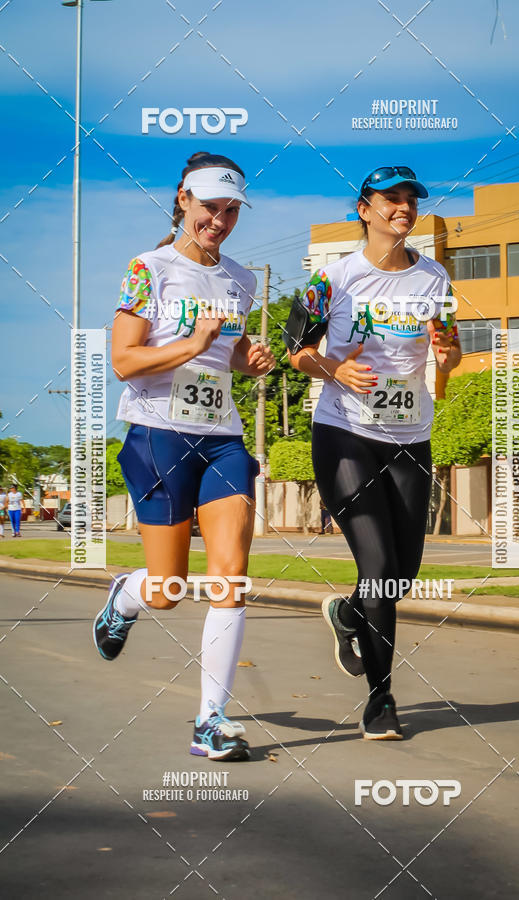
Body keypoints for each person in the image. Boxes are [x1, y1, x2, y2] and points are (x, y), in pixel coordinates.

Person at [93, 151, 275, 761]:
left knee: (231, 576)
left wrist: (244, 359)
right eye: (208, 208)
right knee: (169, 588)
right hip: (157, 433)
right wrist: (189, 343)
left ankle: (210, 721)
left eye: (230, 211)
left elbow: (228, 354)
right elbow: (124, 361)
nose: (219, 221)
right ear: (181, 200)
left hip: (221, 434)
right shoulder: (147, 268)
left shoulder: (240, 280)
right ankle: (128, 594)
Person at [286, 165, 462, 740]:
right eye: (391, 199)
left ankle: (348, 613)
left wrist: (446, 353)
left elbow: (451, 351)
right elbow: (295, 350)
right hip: (344, 433)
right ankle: (381, 700)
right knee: (380, 567)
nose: (403, 208)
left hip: (411, 436)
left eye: (411, 199)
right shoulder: (331, 279)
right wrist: (335, 366)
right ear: (364, 209)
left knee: (403, 573)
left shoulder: (435, 276)